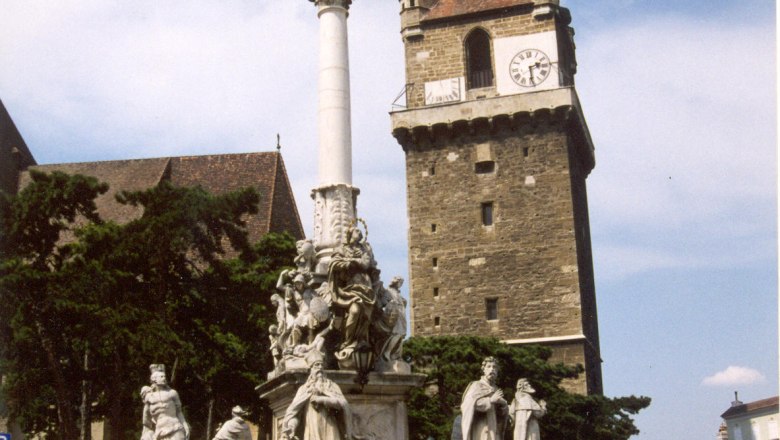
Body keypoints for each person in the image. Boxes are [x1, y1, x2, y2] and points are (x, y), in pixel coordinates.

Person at [327, 225, 377, 360]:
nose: (359, 233)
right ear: (350, 233)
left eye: (360, 231)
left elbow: (366, 264)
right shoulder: (342, 249)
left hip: (365, 286)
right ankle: (348, 342)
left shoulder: (364, 249)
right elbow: (334, 264)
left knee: (366, 317)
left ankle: (361, 341)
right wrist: (352, 262)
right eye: (356, 231)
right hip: (350, 287)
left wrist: (351, 261)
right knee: (355, 311)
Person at [281, 351, 353, 440]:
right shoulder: (304, 389)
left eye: (322, 365)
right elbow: (295, 413)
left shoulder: (332, 386)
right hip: (312, 430)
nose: (320, 367)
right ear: (311, 369)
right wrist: (291, 427)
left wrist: (322, 399)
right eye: (316, 365)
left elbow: (342, 404)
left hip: (331, 429)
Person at [459, 357, 508, 440]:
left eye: (494, 367)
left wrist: (503, 405)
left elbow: (500, 415)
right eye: (489, 366)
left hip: (494, 430)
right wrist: (490, 400)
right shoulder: (476, 385)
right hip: (481, 429)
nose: (492, 369)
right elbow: (468, 405)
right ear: (484, 370)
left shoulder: (496, 389)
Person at [140, 364, 190, 440]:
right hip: (160, 431)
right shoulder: (149, 397)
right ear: (154, 379)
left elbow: (179, 412)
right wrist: (145, 433)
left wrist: (185, 426)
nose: (164, 378)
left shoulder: (172, 393)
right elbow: (146, 419)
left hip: (175, 427)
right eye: (161, 376)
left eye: (164, 376)